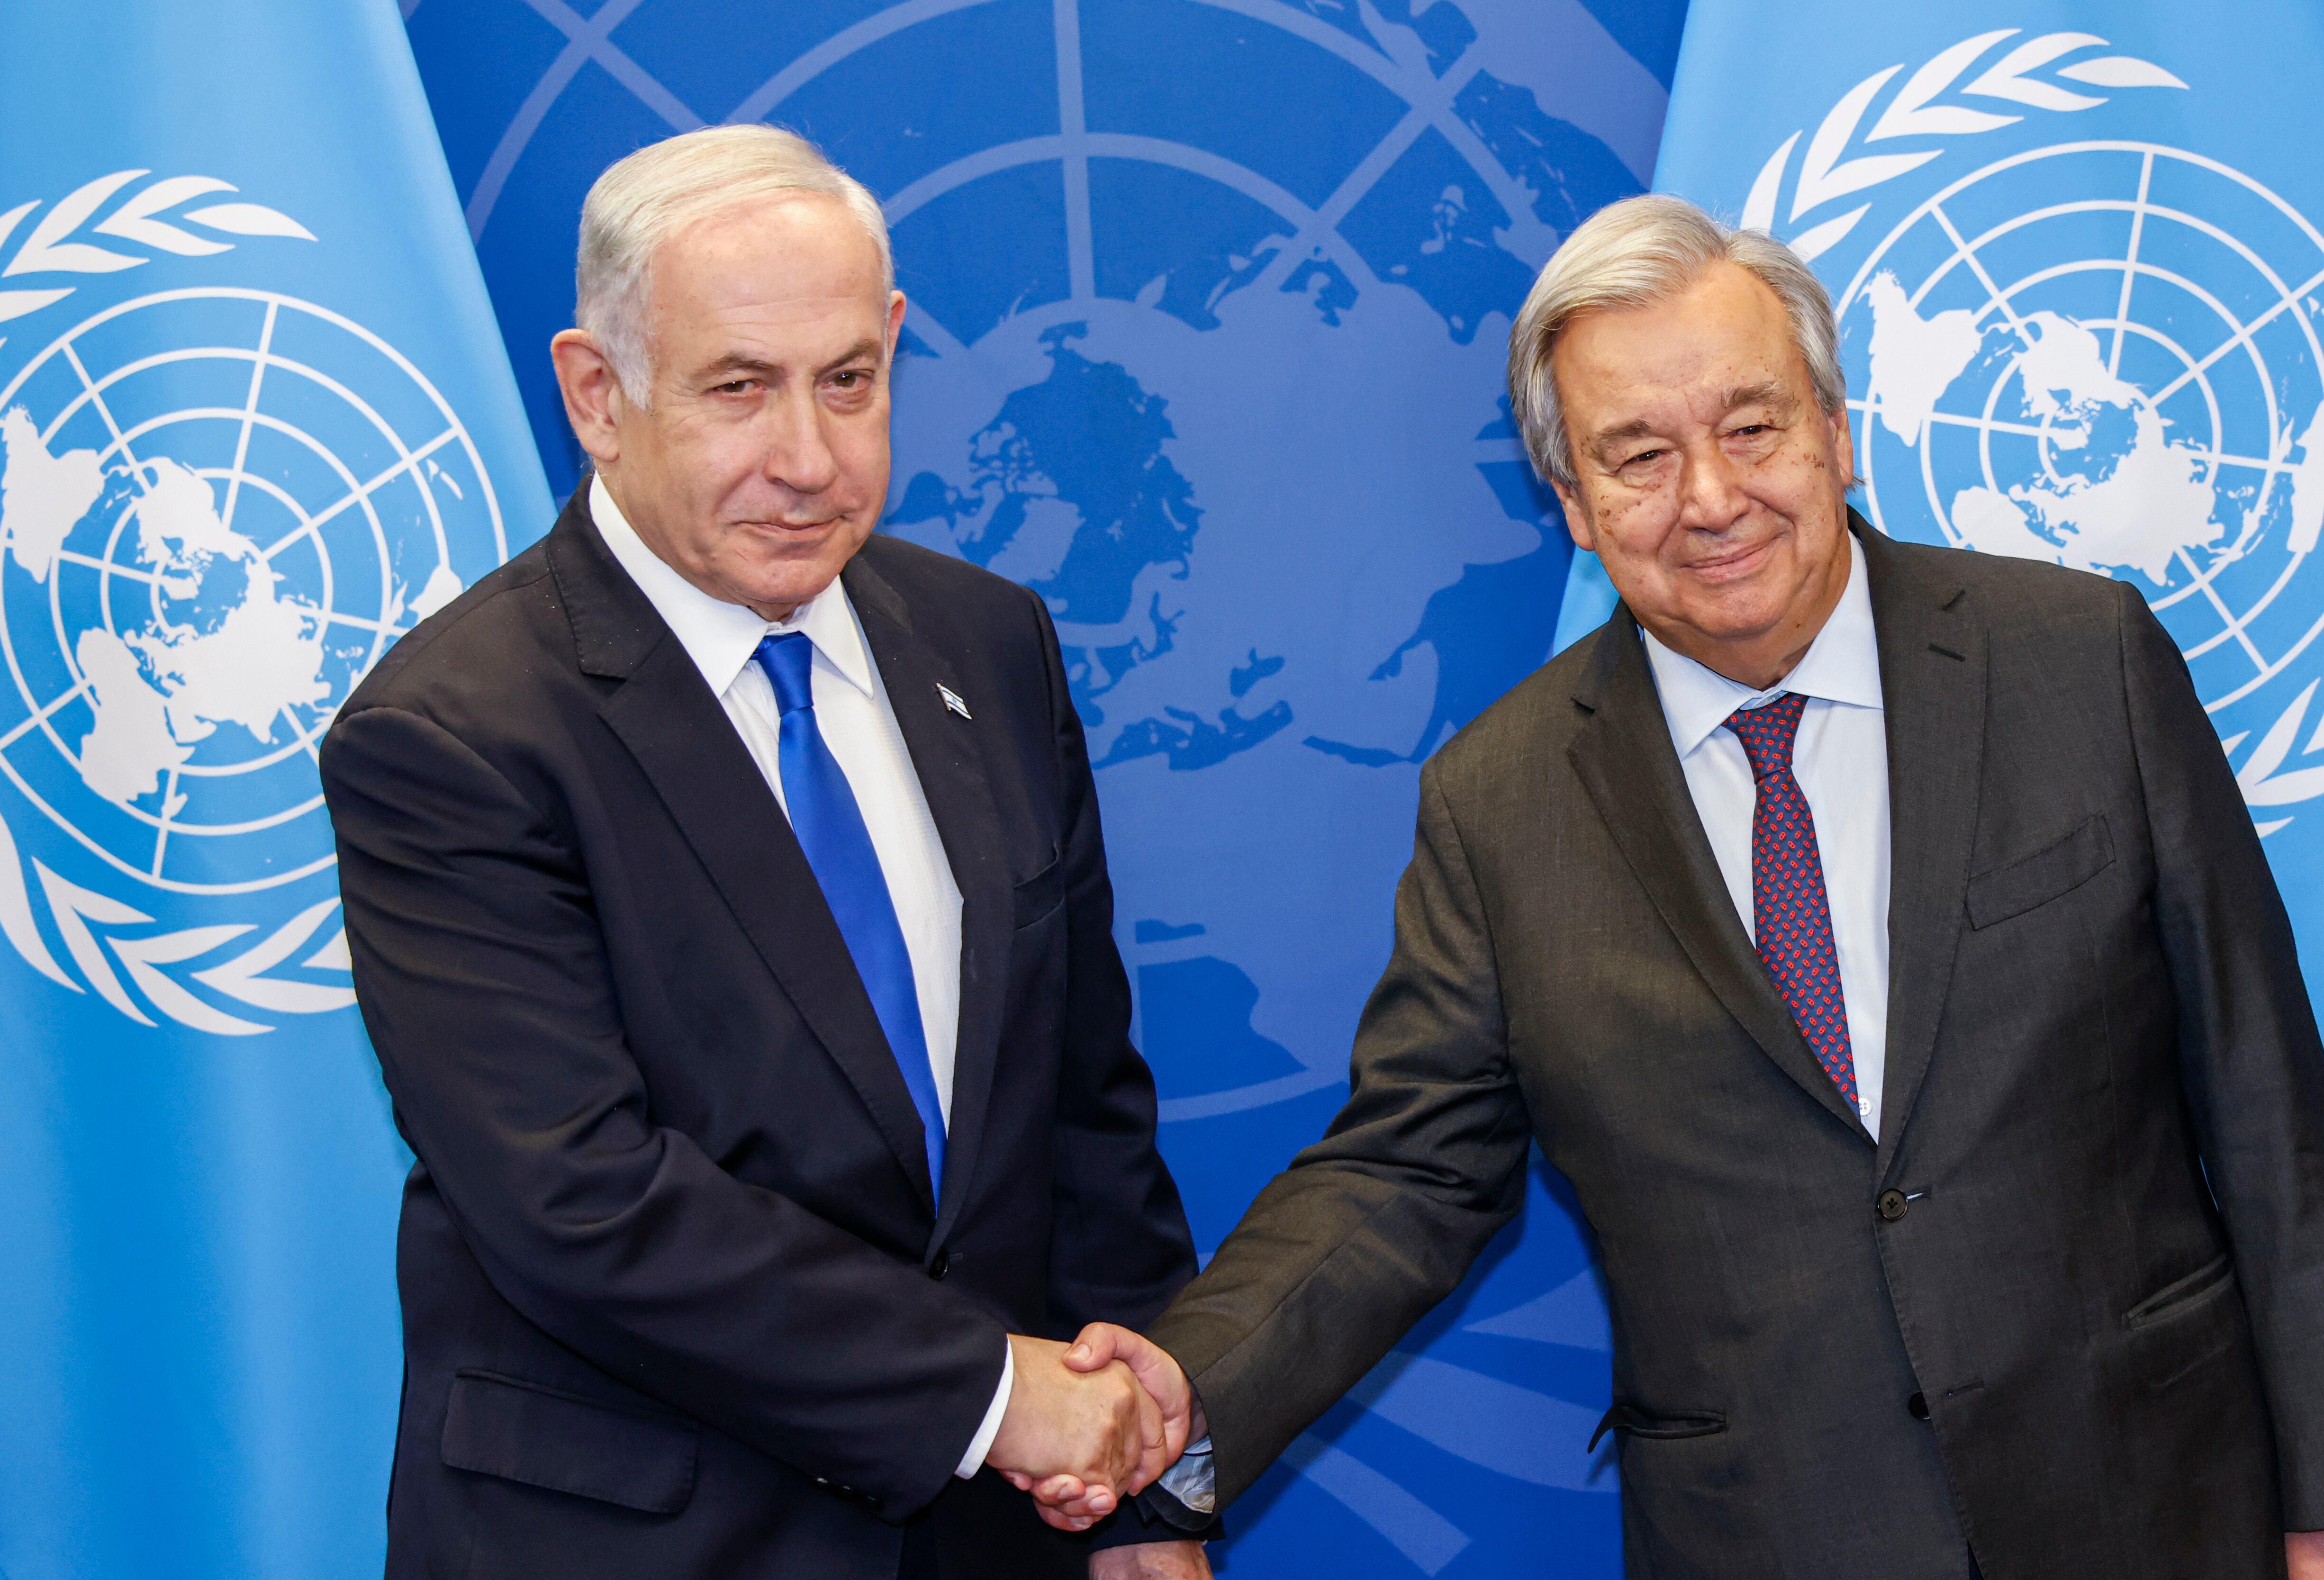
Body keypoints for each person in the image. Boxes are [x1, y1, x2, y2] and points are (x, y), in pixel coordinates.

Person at [1047, 194, 2324, 1578]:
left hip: (2157, 1508)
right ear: (1577, 510)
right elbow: (1406, 1173)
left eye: (1751, 425)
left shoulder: (2084, 663)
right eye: (1637, 456)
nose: (1709, 498)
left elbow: (2271, 1115)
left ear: (1836, 434)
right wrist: (1186, 1402)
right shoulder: (1501, 802)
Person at [320, 126, 1212, 1580]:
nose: (808, 460)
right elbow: (579, 1201)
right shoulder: (450, 738)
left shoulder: (991, 645)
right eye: (740, 389)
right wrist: (993, 1397)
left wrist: (1152, 1499)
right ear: (597, 394)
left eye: (849, 382)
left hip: (1004, 1541)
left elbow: (1083, 1113)